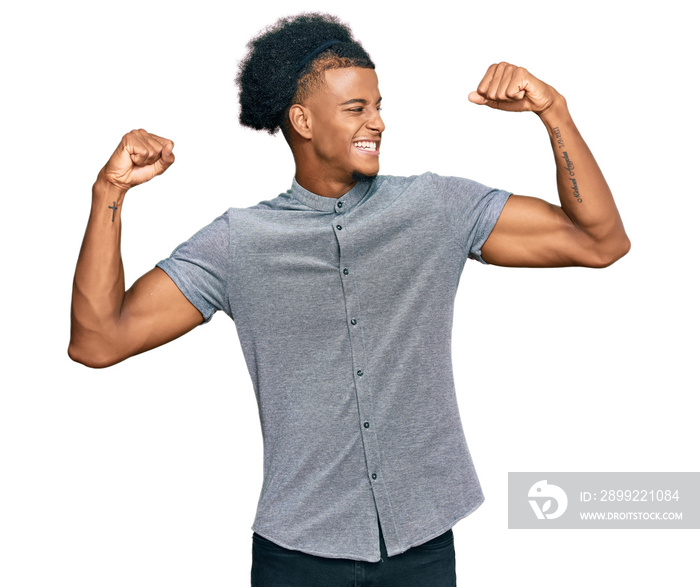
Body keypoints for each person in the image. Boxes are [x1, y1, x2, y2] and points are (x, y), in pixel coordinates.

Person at [68, 12, 629, 587]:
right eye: (357, 108)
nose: (378, 123)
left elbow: (599, 240)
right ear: (302, 120)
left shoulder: (435, 209)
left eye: (379, 106)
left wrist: (552, 110)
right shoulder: (241, 244)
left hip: (423, 546)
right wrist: (109, 191)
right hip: (297, 554)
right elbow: (98, 341)